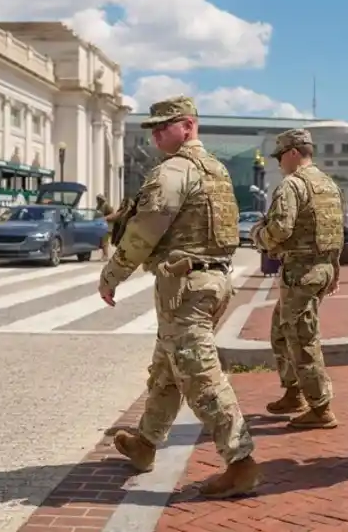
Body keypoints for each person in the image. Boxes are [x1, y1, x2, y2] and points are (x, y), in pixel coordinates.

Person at [99, 95, 261, 500]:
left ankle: (240, 463)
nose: (155, 135)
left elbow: (143, 232)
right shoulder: (216, 169)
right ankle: (145, 442)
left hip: (186, 288)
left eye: (163, 126)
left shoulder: (173, 171)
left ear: (188, 126)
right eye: (152, 129)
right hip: (211, 280)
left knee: (200, 375)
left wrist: (111, 275)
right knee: (167, 370)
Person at [251, 128, 343, 429]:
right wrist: (334, 270)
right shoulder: (328, 184)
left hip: (301, 272)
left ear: (293, 153)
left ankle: (321, 407)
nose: (279, 163)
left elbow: (280, 228)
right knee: (281, 330)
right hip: (320, 268)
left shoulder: (292, 184)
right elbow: (337, 232)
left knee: (302, 338)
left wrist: (258, 236)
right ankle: (294, 392)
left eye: (280, 156)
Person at [96, 193, 116, 260]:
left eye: (99, 199)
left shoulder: (106, 205)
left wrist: (106, 218)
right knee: (101, 241)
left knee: (104, 241)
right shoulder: (98, 206)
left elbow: (113, 214)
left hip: (106, 225)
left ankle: (106, 255)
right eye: (97, 199)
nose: (97, 200)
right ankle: (104, 255)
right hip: (100, 225)